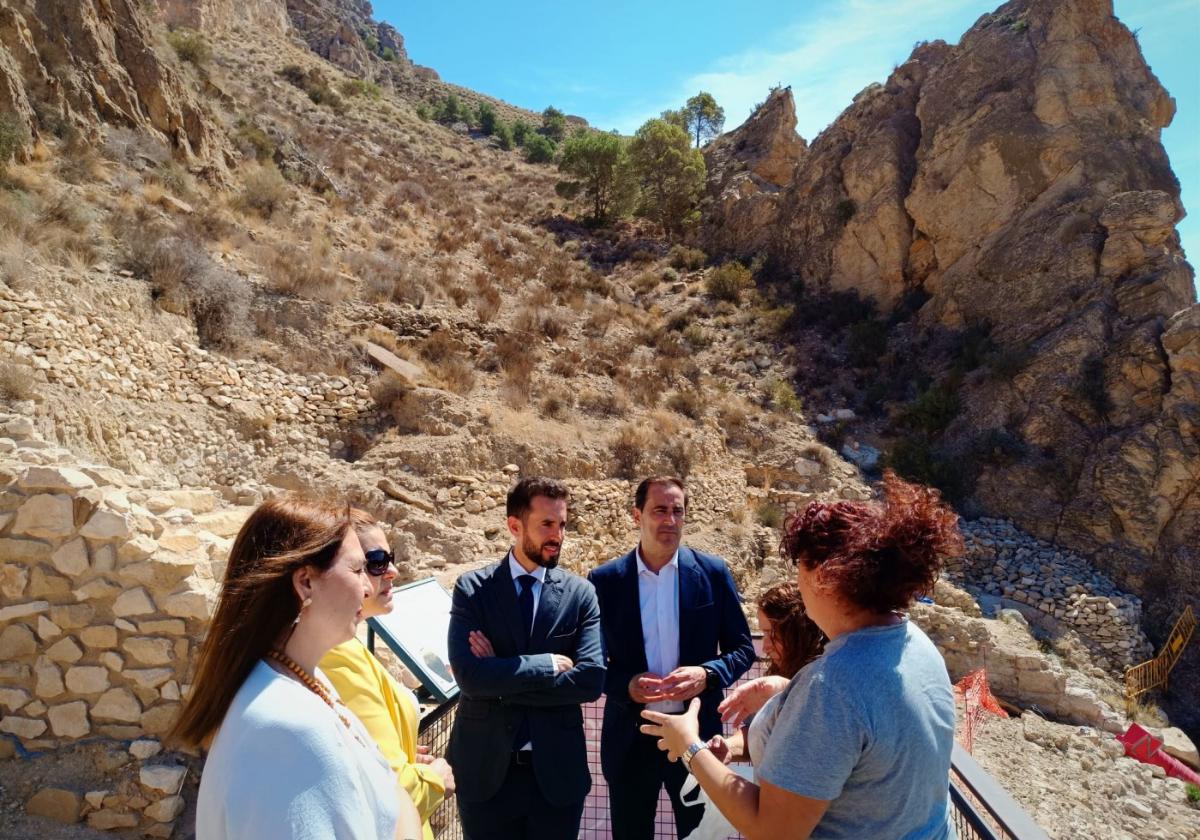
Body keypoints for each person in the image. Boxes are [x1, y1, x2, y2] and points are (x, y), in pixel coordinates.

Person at [640, 472, 963, 840]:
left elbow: (772, 828)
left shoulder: (832, 688)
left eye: (800, 568)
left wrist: (690, 747)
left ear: (826, 577)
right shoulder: (915, 643)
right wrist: (788, 693)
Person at [170, 496, 422, 840]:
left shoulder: (304, 680)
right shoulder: (290, 729)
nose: (367, 587)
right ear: (305, 582)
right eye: (358, 569)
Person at [588, 475, 755, 840]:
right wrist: (626, 686)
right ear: (637, 515)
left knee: (700, 836)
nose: (670, 520)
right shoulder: (605, 581)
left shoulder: (712, 573)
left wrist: (707, 674)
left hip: (697, 741)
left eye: (677, 511)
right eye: (659, 510)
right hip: (630, 740)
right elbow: (592, 663)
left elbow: (742, 649)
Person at [446, 476, 605, 840]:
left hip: (557, 775)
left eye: (562, 524)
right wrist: (547, 665)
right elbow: (469, 677)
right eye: (547, 524)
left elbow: (591, 679)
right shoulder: (473, 589)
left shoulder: (581, 595)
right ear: (515, 526)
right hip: (485, 773)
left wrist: (498, 677)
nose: (558, 535)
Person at [320, 510, 455, 840]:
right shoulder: (338, 655)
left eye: (389, 558)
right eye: (375, 562)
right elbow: (392, 795)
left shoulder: (345, 645)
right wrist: (436, 777)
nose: (392, 571)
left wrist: (404, 748)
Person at [706, 581, 825, 766]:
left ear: (798, 631)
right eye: (762, 634)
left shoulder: (827, 676)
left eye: (772, 633)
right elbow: (755, 732)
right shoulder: (776, 675)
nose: (765, 646)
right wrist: (728, 747)